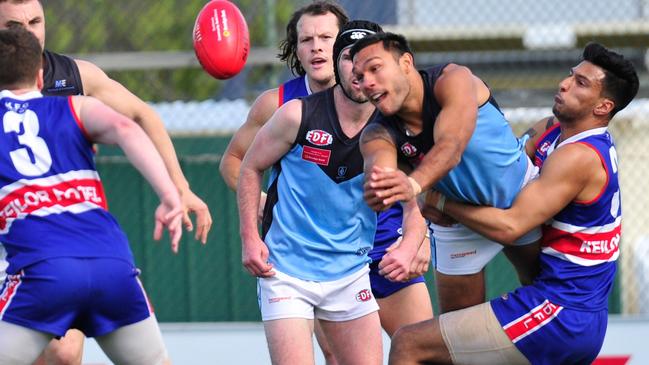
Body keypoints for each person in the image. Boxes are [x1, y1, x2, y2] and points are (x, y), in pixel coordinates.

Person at [387, 42, 639, 365]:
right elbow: (505, 170)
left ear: (603, 107)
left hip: (560, 313)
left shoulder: (581, 157)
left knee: (409, 344)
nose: (564, 83)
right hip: (563, 307)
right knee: (451, 352)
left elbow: (510, 226)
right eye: (570, 75)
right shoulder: (552, 130)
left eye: (581, 83)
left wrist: (438, 199)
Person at [0, 1, 212, 363]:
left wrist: (180, 187)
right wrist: (166, 194)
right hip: (105, 255)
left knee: (64, 351)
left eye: (36, 21)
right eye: (15, 24)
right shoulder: (76, 106)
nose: (29, 32)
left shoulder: (75, 77)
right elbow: (126, 129)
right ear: (38, 81)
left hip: (41, 253)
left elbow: (140, 116)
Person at [219, 2, 432, 359]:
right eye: (306, 39)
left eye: (325, 37)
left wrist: (417, 237)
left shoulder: (393, 111)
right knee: (331, 355)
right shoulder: (284, 107)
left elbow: (424, 177)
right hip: (303, 253)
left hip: (379, 242)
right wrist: (256, 214)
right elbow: (239, 164)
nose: (316, 46)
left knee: (424, 349)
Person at [350, 32, 541, 315]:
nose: (367, 82)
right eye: (359, 76)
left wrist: (414, 185)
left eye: (375, 68)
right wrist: (380, 186)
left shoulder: (452, 79)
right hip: (458, 223)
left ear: (405, 63)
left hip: (521, 199)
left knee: (548, 298)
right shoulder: (376, 132)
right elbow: (381, 170)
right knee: (459, 333)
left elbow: (450, 146)